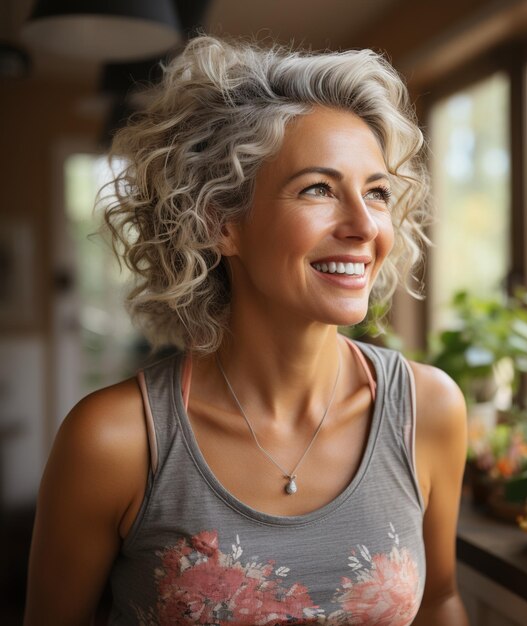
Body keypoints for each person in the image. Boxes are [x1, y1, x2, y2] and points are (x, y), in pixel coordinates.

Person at [24, 36, 469, 626]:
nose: (365, 225)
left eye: (378, 192)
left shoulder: (429, 409)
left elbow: (439, 601)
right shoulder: (113, 441)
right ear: (221, 222)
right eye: (319, 189)